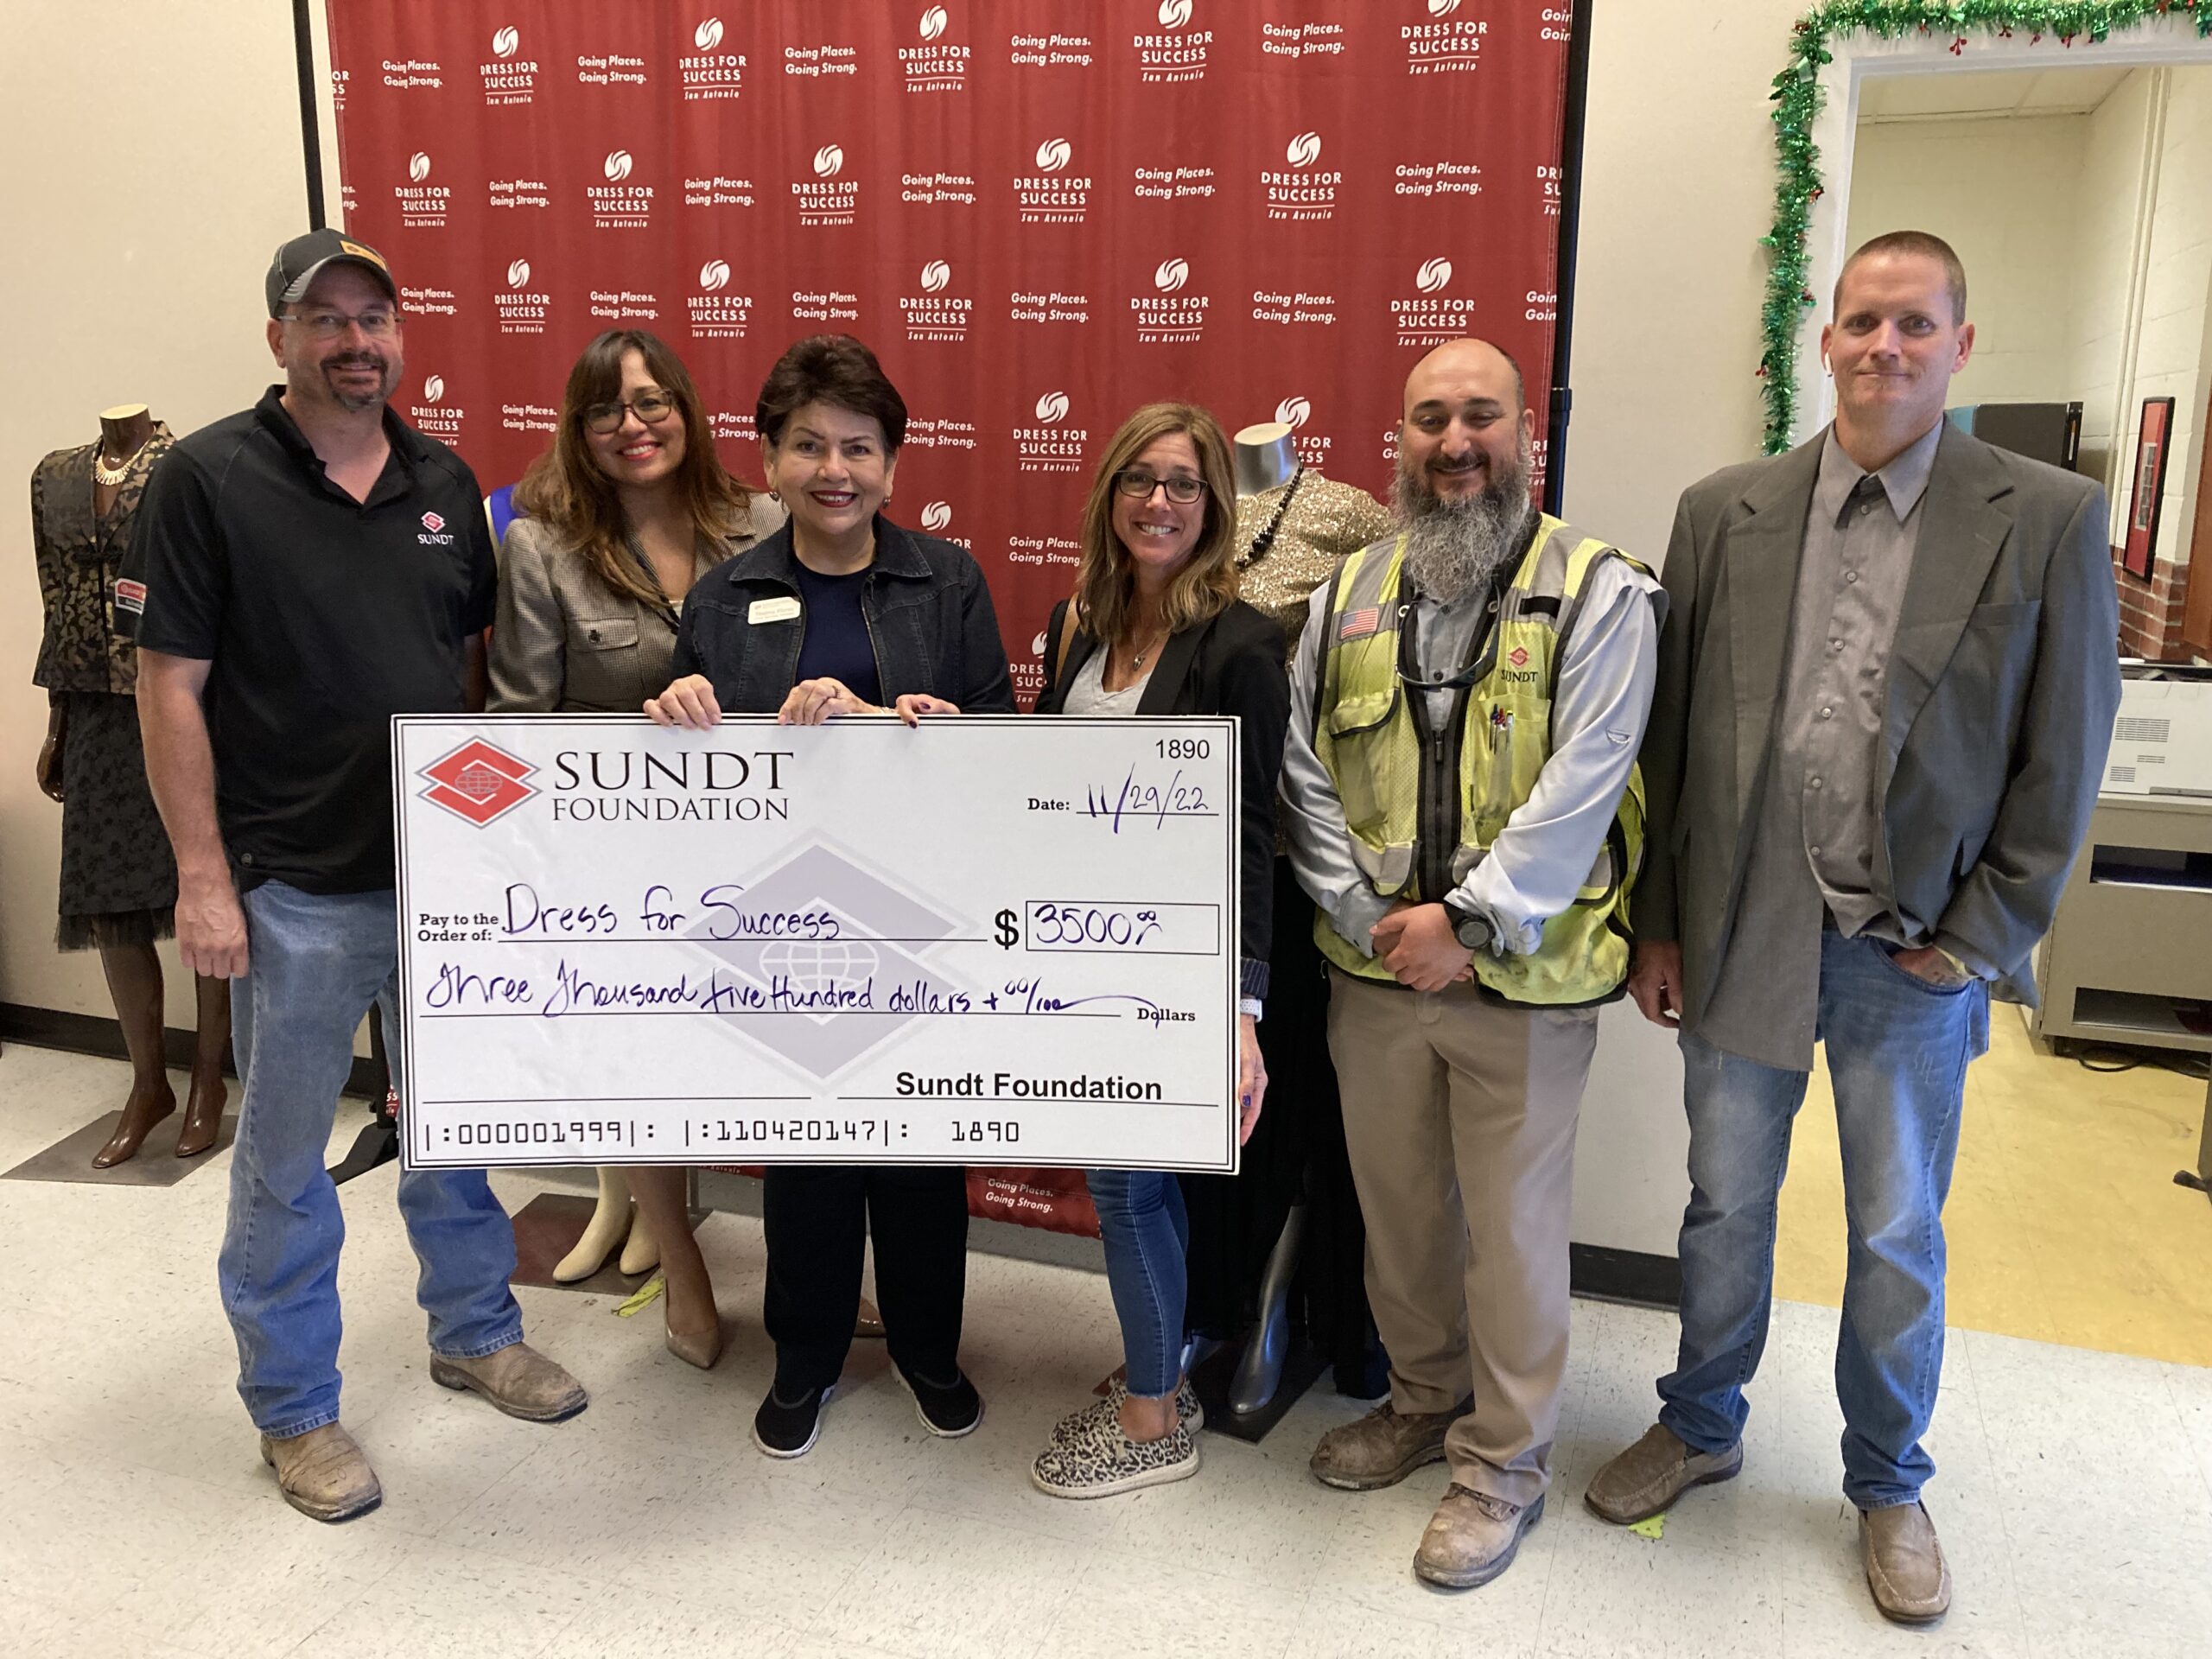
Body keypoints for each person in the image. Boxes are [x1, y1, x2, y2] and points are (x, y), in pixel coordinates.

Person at [1583, 231, 2120, 1625]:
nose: (1886, 347)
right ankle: (1701, 1423)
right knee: (1724, 1207)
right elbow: (1672, 741)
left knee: (1893, 1232)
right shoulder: (1727, 511)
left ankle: (1888, 1480)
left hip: (1914, 948)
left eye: (1916, 325)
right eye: (1863, 322)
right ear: (1826, 339)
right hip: (1744, 922)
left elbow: (2064, 753)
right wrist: (1659, 923)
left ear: (1961, 342)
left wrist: (1986, 936)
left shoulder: (2045, 515)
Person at [124, 229, 587, 1524]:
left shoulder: (444, 479)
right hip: (293, 887)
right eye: (323, 318)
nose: (354, 341)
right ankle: (294, 1410)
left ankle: (475, 1331)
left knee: (455, 1132)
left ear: (401, 332)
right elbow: (170, 688)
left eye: (374, 317)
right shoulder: (208, 478)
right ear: (277, 336)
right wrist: (203, 880)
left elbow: (474, 684)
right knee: (283, 1162)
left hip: (444, 888)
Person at [1281, 338, 1662, 1589]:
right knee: (1398, 1217)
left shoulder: (1598, 591)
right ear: (1396, 439)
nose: (1455, 442)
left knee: (1511, 1230)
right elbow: (1302, 769)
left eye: (1480, 417)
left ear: (1524, 433)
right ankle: (1419, 1399)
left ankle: (1502, 1462)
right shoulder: (1346, 596)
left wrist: (1468, 923)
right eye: (1429, 418)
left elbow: (1584, 781)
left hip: (1524, 981)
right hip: (1373, 975)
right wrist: (1367, 911)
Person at [645, 334, 1013, 1458]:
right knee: (807, 1156)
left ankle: (926, 1350)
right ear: (769, 460)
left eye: (859, 447)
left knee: (916, 1157)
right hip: (784, 920)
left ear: (894, 466)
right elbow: (697, 772)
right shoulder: (726, 595)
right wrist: (679, 708)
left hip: (916, 917)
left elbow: (1001, 743)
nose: (835, 469)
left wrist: (944, 731)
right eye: (808, 446)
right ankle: (803, 1356)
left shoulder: (947, 579)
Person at [488, 327, 783, 1369]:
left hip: (764, 850)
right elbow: (517, 719)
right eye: (607, 409)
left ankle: (811, 1277)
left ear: (688, 413)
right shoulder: (540, 545)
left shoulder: (763, 521)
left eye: (653, 401)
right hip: (619, 858)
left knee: (793, 1063)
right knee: (642, 1066)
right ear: (579, 429)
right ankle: (686, 1280)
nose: (633, 425)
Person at [1023, 403, 1287, 1497]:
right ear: (1109, 496)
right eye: (1141, 479)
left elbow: (1256, 833)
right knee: (1134, 1186)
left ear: (1214, 508)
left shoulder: (1244, 644)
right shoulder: (1078, 623)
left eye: (1184, 484)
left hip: (1177, 967)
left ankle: (1148, 1422)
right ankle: (1159, 1360)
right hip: (1078, 954)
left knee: (1128, 1187)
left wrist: (1241, 1007)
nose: (1160, 502)